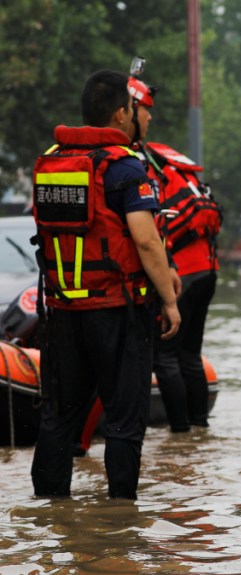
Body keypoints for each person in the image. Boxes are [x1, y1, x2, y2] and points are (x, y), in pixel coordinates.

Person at [31, 69, 180, 499]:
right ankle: (119, 523)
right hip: (118, 310)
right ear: (120, 114)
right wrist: (169, 302)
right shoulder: (125, 168)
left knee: (59, 418)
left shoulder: (52, 161)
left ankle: (49, 516)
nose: (138, 116)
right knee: (123, 419)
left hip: (62, 311)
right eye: (134, 109)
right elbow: (146, 240)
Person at [129, 69, 222, 433]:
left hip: (180, 272)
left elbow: (147, 230)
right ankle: (198, 430)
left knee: (165, 356)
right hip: (207, 270)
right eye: (146, 110)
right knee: (189, 354)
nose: (151, 117)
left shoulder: (133, 161)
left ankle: (180, 433)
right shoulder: (168, 160)